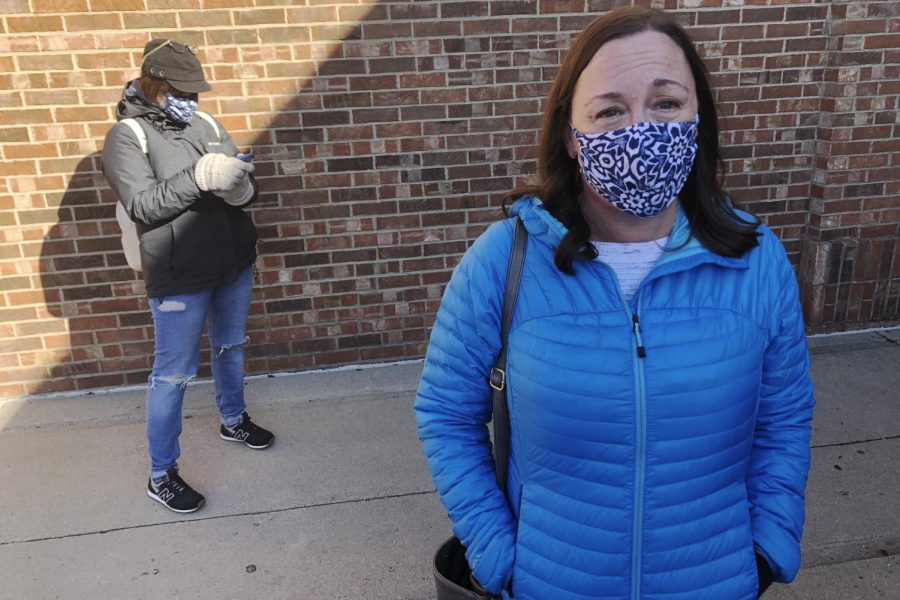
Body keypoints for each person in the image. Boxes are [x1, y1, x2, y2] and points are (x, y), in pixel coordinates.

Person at [414, 7, 814, 600]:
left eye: (666, 103)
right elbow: (446, 413)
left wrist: (768, 547)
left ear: (697, 117)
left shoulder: (757, 260)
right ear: (572, 139)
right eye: (609, 110)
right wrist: (497, 555)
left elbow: (784, 421)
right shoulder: (504, 260)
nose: (641, 130)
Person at [102, 39, 274, 513]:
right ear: (156, 85)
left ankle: (233, 418)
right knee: (173, 375)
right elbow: (142, 205)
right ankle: (162, 473)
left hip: (232, 261)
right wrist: (198, 177)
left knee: (230, 346)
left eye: (196, 91)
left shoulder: (206, 124)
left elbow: (241, 182)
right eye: (183, 89)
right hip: (178, 273)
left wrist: (241, 189)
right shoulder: (128, 136)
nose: (192, 99)